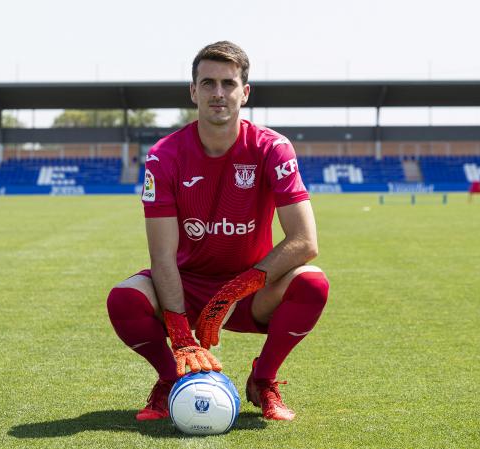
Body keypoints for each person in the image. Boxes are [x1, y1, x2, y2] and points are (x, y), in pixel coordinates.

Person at [106, 41, 329, 422]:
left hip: (250, 290)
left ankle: (263, 379)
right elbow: (161, 256)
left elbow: (305, 242)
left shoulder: (272, 148)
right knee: (124, 300)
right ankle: (172, 378)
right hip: (186, 287)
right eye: (208, 83)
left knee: (313, 284)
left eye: (229, 83)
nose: (218, 93)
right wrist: (179, 330)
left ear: (245, 92)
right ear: (193, 91)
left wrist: (231, 294)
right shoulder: (164, 155)